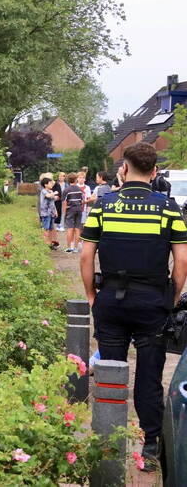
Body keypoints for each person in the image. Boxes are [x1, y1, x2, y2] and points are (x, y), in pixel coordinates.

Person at [81, 142, 187, 471]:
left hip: (111, 300)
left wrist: (92, 296)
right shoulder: (168, 208)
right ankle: (150, 448)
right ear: (154, 172)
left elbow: (86, 256)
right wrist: (171, 299)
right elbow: (182, 262)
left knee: (110, 373)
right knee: (149, 377)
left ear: (124, 169)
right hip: (153, 302)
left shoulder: (103, 205)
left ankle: (107, 447)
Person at [62, 174, 85, 252]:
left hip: (70, 210)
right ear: (76, 180)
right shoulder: (79, 189)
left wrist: (64, 212)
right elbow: (82, 201)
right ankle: (76, 248)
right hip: (79, 210)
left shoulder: (66, 190)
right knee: (77, 229)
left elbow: (64, 202)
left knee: (70, 228)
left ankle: (69, 247)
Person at [39, 177, 59, 249]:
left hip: (51, 213)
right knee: (46, 229)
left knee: (51, 229)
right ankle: (44, 244)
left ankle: (50, 244)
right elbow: (48, 196)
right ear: (45, 185)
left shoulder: (50, 191)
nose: (52, 184)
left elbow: (52, 202)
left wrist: (55, 211)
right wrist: (54, 193)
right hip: (45, 213)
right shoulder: (43, 191)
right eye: (50, 183)